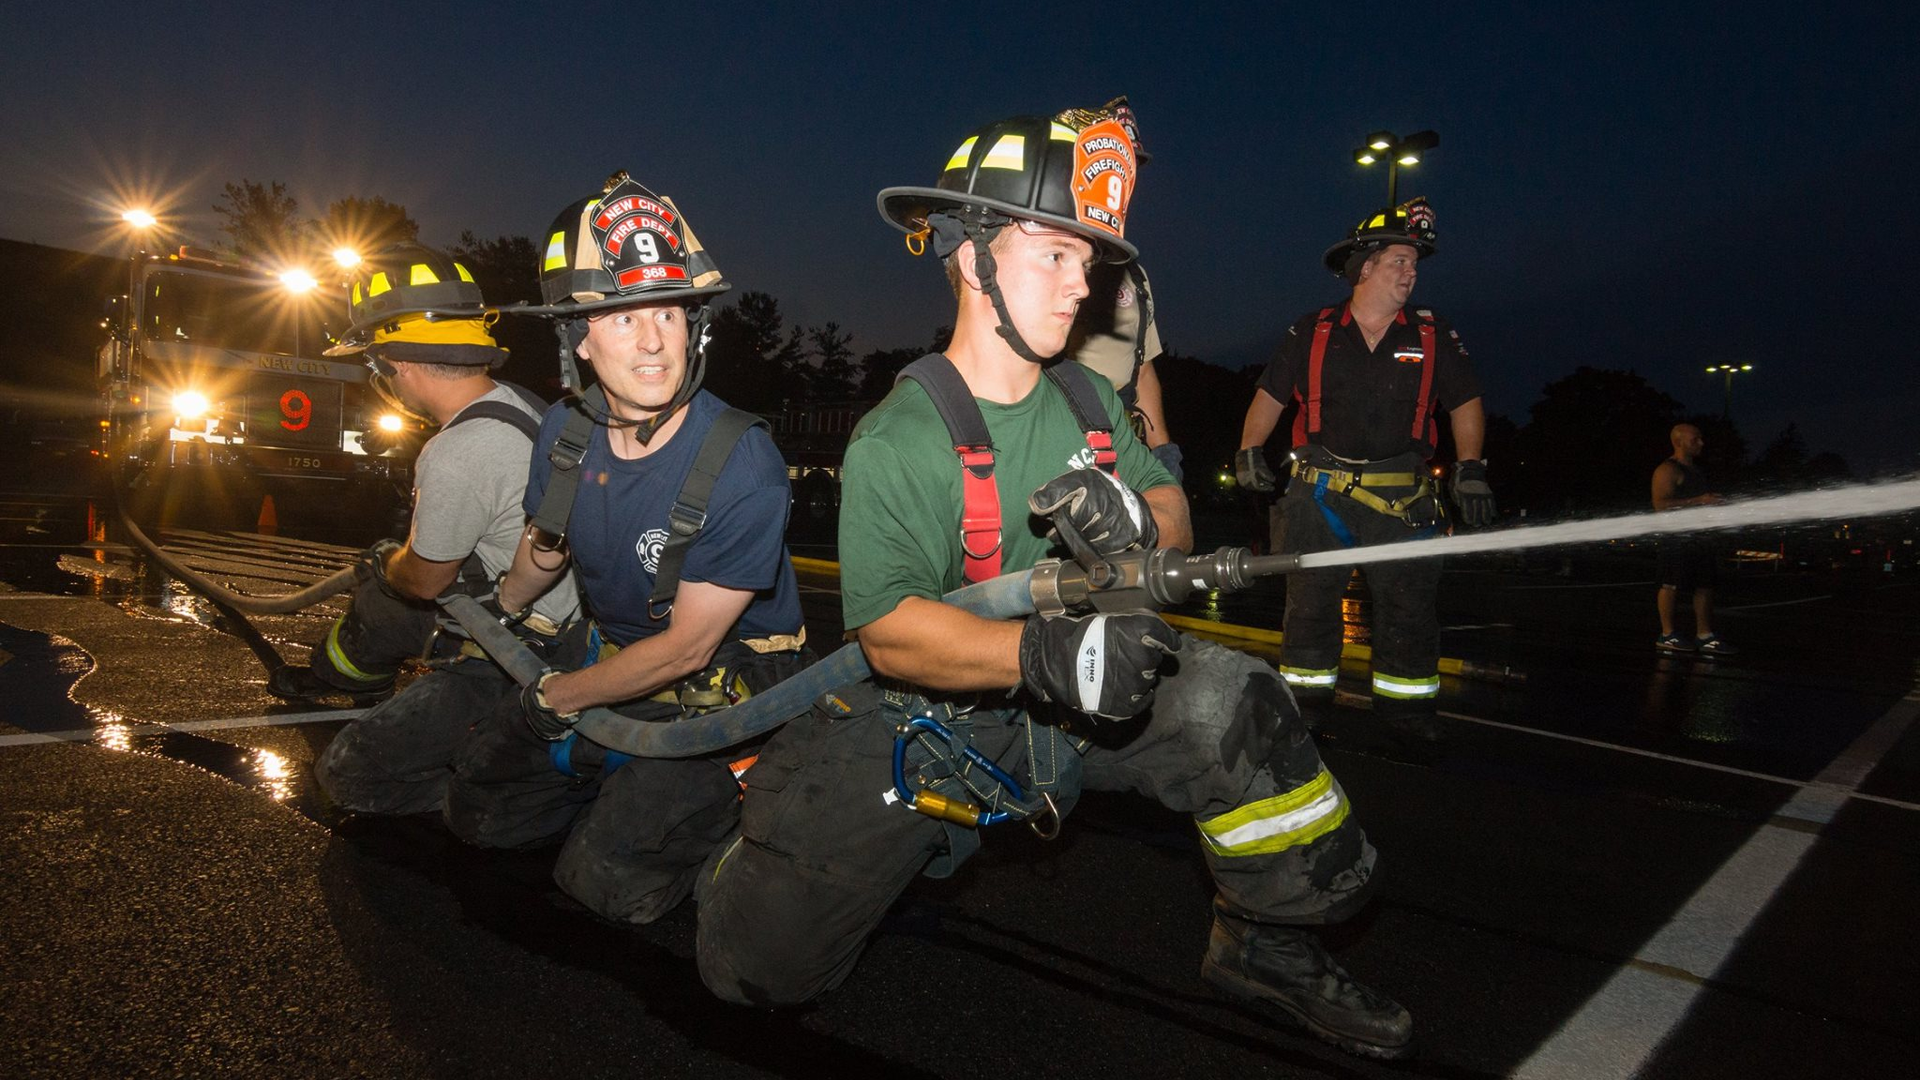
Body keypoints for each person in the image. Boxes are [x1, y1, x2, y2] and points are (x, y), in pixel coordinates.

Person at [696, 108, 1413, 1062]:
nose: (1086, 284)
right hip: (928, 718)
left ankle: (1267, 946)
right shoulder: (898, 438)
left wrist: (1133, 523)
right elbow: (891, 635)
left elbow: (1177, 520)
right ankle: (748, 863)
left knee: (1238, 700)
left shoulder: (1092, 400)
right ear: (971, 257)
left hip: (1080, 691)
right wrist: (1040, 651)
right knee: (754, 971)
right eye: (1056, 253)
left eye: (1091, 259)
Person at [442, 172, 809, 926]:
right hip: (609, 666)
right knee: (475, 810)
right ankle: (613, 784)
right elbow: (546, 552)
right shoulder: (564, 432)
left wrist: (556, 697)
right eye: (621, 317)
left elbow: (686, 650)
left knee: (602, 880)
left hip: (715, 699)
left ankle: (736, 823)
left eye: (670, 313)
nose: (652, 343)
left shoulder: (744, 462)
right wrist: (495, 613)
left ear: (696, 327)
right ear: (576, 337)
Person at [273, 243, 580, 817]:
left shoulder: (458, 449)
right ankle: (341, 677)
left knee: (349, 775)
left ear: (398, 364)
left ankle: (521, 787)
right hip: (532, 611)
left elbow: (423, 582)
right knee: (377, 596)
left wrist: (389, 563)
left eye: (374, 362)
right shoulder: (519, 403)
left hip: (523, 649)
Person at [1235, 199, 1490, 727]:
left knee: (1410, 613)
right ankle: (1305, 717)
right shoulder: (1312, 330)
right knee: (1307, 610)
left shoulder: (1432, 333)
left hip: (1404, 502)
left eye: (1415, 265)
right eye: (1400, 261)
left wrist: (1470, 467)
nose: (1411, 272)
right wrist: (1248, 450)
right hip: (1319, 497)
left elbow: (1466, 401)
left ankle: (1409, 718)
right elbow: (1271, 394)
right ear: (1365, 267)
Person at [1062, 97, 1183, 483]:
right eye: (1111, 159)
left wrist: (1162, 451)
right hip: (1062, 443)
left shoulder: (1134, 274)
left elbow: (1142, 368)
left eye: (1128, 163)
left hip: (1122, 449)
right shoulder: (1042, 260)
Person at [1652, 423, 1735, 654]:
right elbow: (1660, 505)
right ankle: (1667, 634)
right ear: (1678, 442)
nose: (1701, 443)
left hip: (1700, 538)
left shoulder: (1697, 471)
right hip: (1676, 538)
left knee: (1706, 585)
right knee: (1671, 584)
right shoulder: (1667, 470)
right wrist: (1699, 501)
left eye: (1701, 438)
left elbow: (1702, 501)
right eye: (1695, 439)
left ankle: (1704, 635)